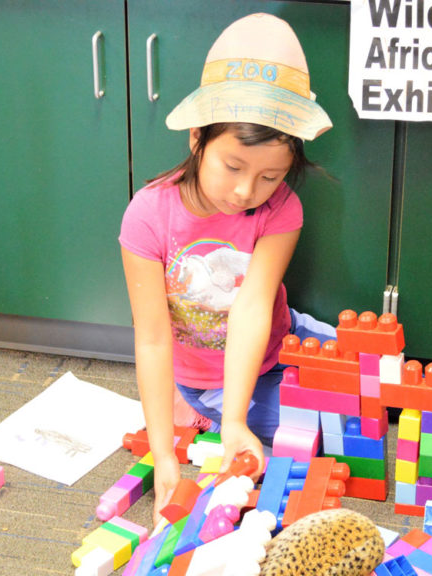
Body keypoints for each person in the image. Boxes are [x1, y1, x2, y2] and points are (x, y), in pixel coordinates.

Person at [119, 12, 335, 525]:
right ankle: (193, 405)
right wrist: (167, 457)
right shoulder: (148, 216)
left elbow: (253, 308)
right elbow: (151, 339)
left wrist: (234, 423)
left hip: (273, 336)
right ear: (197, 139)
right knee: (316, 433)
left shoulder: (283, 209)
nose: (245, 192)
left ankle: (230, 409)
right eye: (233, 167)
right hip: (211, 375)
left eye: (270, 175)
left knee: (367, 380)